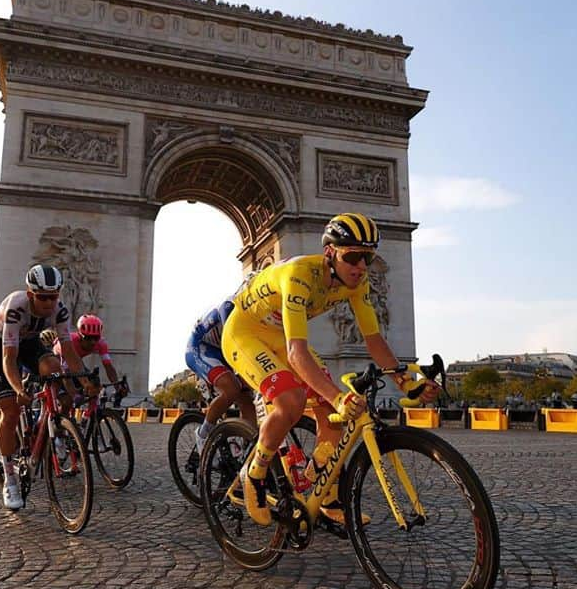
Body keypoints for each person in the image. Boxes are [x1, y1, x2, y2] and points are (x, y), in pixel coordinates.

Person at [221, 212, 439, 526]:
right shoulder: (299, 274)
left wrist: (406, 382)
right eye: (352, 257)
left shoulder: (358, 282)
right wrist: (338, 396)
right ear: (329, 253)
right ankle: (254, 474)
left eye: (368, 257)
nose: (361, 267)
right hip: (245, 333)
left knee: (334, 419)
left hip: (280, 336)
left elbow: (374, 339)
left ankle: (323, 489)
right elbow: (297, 354)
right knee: (292, 401)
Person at [0, 264, 96, 510]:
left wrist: (82, 381)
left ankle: (51, 419)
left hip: (31, 342)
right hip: (3, 346)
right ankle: (10, 478)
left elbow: (68, 351)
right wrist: (18, 389)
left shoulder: (59, 310)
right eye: (43, 297)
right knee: (11, 411)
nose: (48, 303)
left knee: (54, 366)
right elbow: (8, 358)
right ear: (30, 294)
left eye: (53, 297)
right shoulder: (16, 307)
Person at [184, 298, 257, 454]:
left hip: (224, 351)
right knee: (232, 388)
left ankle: (248, 450)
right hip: (200, 349)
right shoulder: (230, 307)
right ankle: (203, 434)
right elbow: (232, 340)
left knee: (246, 398)